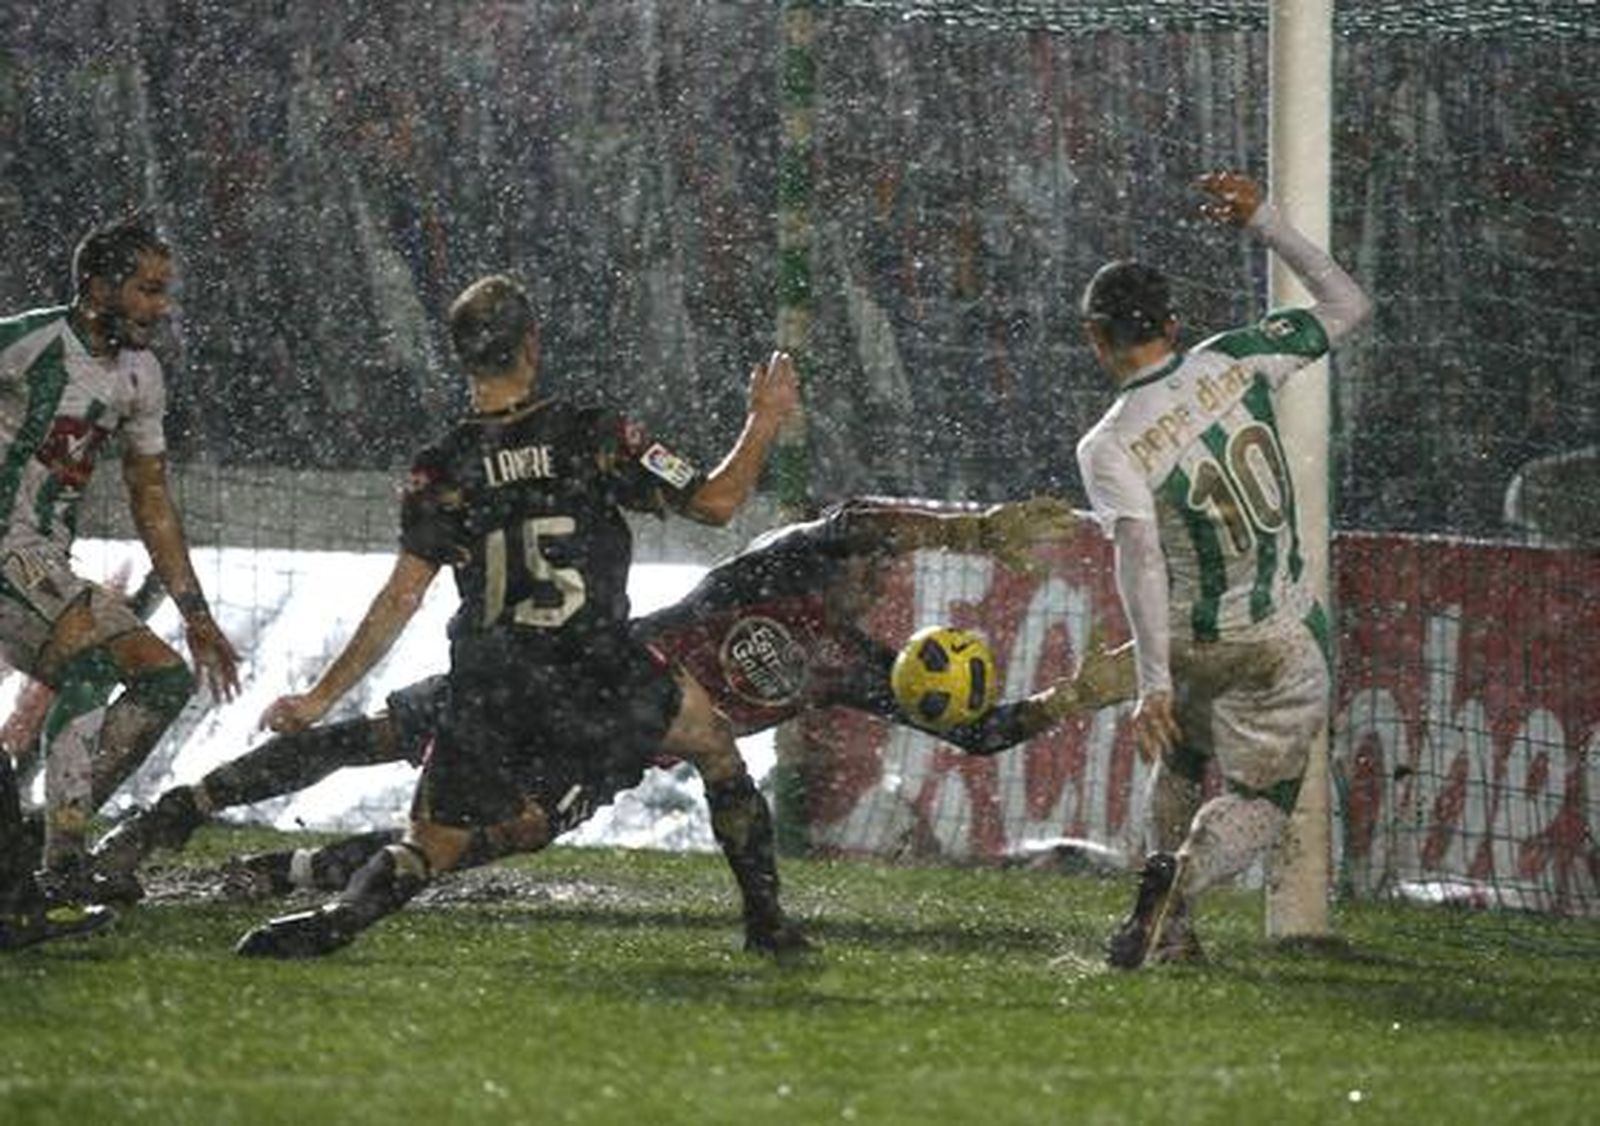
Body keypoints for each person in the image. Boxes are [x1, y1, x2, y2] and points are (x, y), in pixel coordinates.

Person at [93, 496, 1135, 895]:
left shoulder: (858, 664)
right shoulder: (773, 573)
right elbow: (853, 515)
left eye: (879, 574)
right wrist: (969, 531)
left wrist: (1076, 696)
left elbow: (982, 732)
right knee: (367, 736)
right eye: (867, 567)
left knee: (502, 831)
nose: (871, 576)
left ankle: (281, 872)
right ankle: (176, 812)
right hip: (571, 666)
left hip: (618, 743)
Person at [231, 272, 801, 959]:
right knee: (713, 746)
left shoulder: (441, 468)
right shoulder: (592, 434)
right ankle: (767, 922)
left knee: (428, 845)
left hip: (490, 681)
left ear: (463, 356)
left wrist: (322, 694)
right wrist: (764, 417)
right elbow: (715, 503)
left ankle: (339, 921)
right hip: (595, 664)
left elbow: (400, 596)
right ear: (533, 343)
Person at [1074, 171, 1371, 969]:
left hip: (1189, 638)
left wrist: (1153, 683)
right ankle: (1179, 883)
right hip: (1275, 630)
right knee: (1266, 799)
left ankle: (1165, 925)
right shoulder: (1236, 359)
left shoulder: (1107, 445)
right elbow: (1348, 306)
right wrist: (1267, 221)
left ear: (1095, 339)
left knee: (1179, 757)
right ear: (1173, 324)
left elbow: (1137, 556)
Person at [0, 214, 240, 899]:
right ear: (99, 286)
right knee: (87, 658)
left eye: (165, 291)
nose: (162, 307)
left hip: (43, 558)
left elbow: (151, 499)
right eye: (148, 289)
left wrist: (194, 611)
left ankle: (51, 833)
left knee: (163, 679)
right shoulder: (29, 342)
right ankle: (64, 863)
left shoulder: (141, 376)